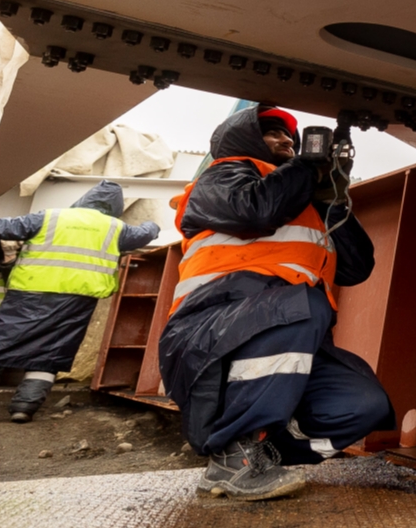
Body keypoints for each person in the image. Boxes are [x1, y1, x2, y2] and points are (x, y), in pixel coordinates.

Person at [158, 106, 393, 501]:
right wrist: (304, 169)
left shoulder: (303, 204)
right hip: (209, 335)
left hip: (282, 328)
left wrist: (331, 199)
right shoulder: (222, 176)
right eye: (272, 133)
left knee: (361, 405)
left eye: (291, 138)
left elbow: (357, 267)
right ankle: (232, 460)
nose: (287, 141)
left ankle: (259, 456)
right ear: (244, 140)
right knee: (303, 303)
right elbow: (255, 209)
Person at [0, 181, 161, 420]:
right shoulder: (116, 228)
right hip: (77, 301)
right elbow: (144, 235)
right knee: (51, 352)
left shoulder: (50, 217)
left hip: (30, 294)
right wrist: (153, 225)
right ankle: (24, 408)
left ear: (84, 199)